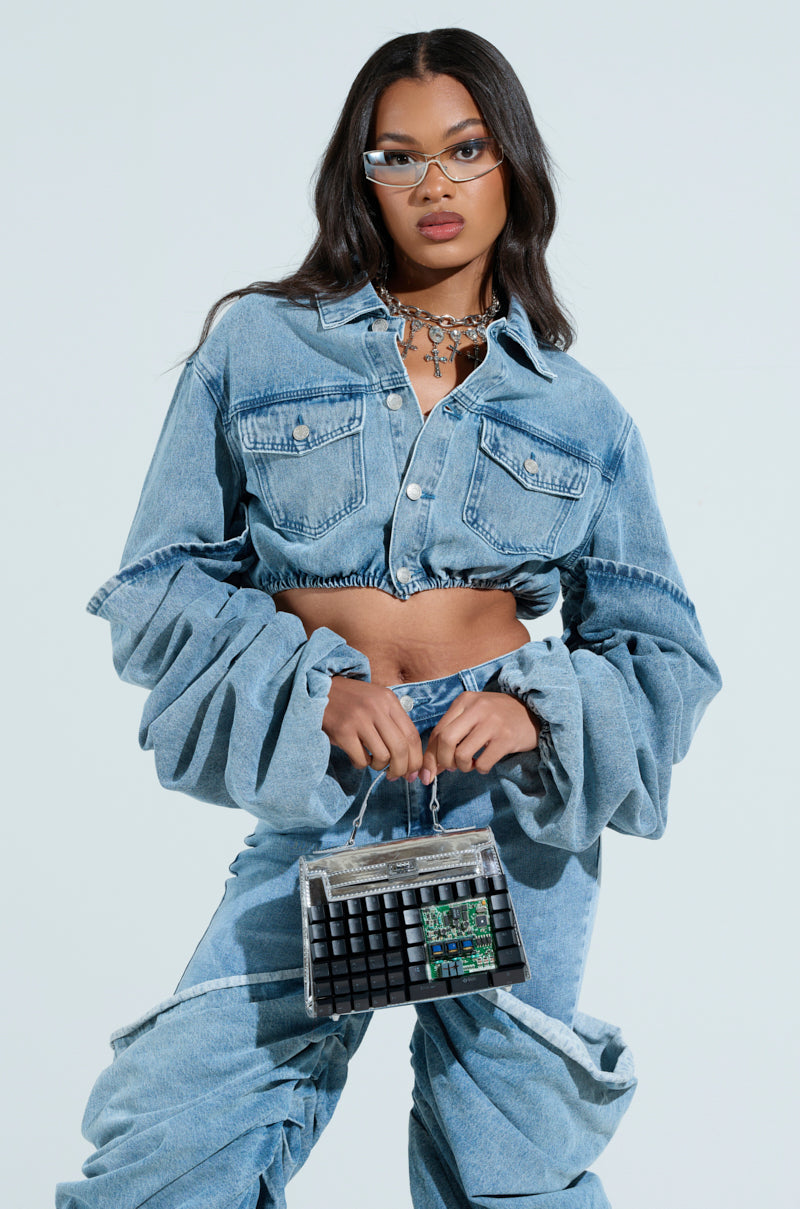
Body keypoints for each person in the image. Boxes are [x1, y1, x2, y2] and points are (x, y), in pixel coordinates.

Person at [56, 27, 721, 1209]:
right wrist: (315, 689)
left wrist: (533, 713)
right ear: (359, 176)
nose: (433, 184)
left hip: (503, 812)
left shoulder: (581, 409)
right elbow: (159, 588)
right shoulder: (258, 346)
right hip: (327, 782)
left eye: (463, 149)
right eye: (396, 155)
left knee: (505, 1167)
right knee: (171, 1155)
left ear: (507, 164)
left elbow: (662, 655)